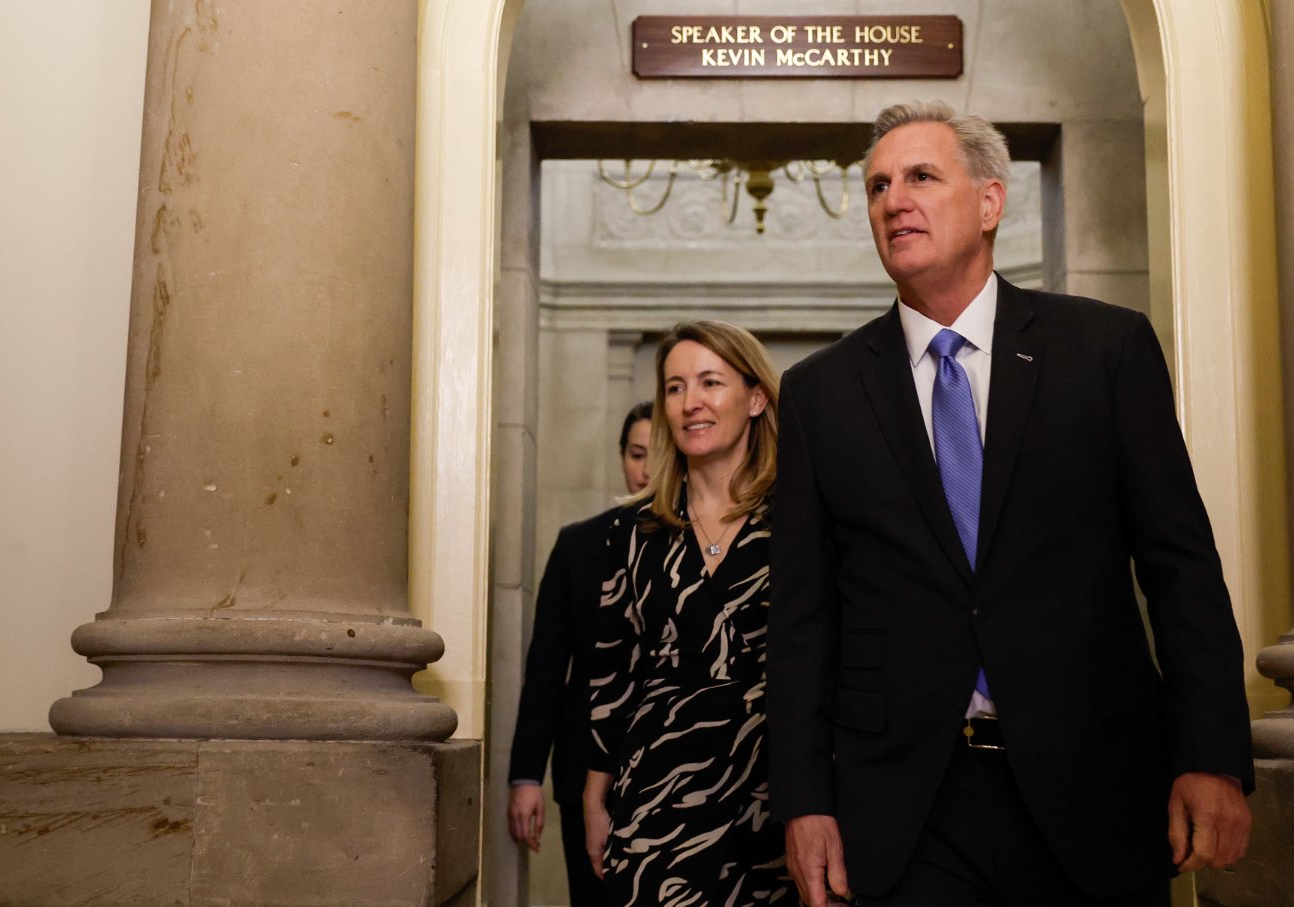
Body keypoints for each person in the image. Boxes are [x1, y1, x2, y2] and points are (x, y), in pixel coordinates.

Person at [767, 100, 1254, 907]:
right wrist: (804, 798)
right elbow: (802, 618)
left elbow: (1180, 565)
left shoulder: (1105, 351)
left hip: (1092, 783)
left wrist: (1212, 755)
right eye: (878, 185)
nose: (894, 199)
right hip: (904, 805)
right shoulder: (821, 393)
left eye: (922, 175)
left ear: (990, 201)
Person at [584, 321, 793, 906]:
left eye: (709, 382)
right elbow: (611, 678)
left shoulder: (800, 519)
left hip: (772, 805)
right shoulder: (634, 530)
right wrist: (595, 798)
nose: (690, 402)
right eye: (674, 387)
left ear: (755, 397)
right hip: (656, 806)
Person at [507, 401, 653, 907]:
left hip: (672, 769)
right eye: (637, 454)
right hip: (582, 770)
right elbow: (546, 670)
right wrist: (526, 775)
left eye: (660, 454)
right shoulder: (579, 545)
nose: (648, 469)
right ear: (621, 458)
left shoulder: (705, 542)